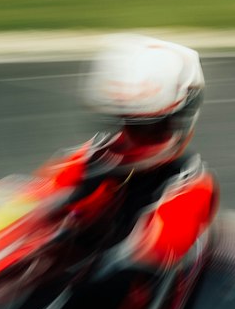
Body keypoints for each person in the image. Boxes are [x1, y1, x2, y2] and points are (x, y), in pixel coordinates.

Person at [37, 34, 219, 277]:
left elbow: (159, 245)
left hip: (131, 293)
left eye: (149, 129)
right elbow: (39, 195)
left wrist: (107, 264)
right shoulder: (95, 156)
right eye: (125, 126)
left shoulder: (191, 185)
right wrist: (48, 208)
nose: (131, 140)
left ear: (178, 120)